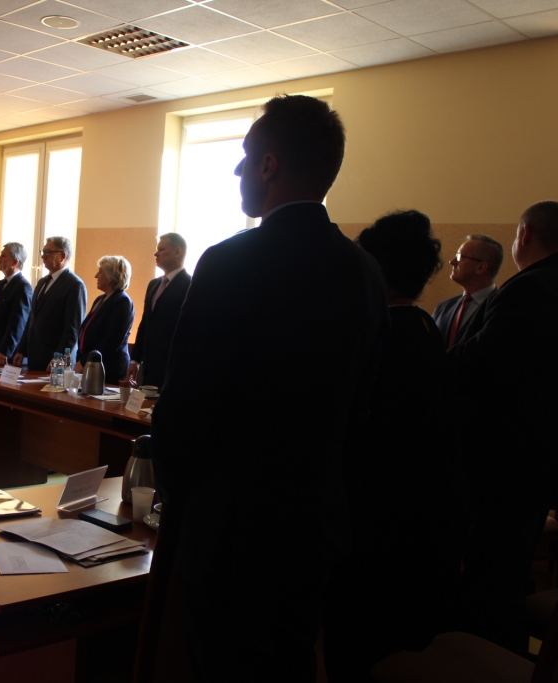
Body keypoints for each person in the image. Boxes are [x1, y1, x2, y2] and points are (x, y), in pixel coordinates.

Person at [147, 95, 387, 682]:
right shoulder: (363, 269)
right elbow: (361, 407)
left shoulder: (232, 261)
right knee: (290, 662)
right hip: (315, 523)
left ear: (269, 165)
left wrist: (177, 497)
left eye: (245, 156)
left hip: (233, 529)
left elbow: (187, 407)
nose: (237, 170)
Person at [323, 211, 464, 682]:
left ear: (376, 268)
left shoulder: (382, 335)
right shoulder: (425, 328)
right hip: (422, 525)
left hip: (377, 528)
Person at [449, 200, 558, 654]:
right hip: (536, 451)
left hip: (510, 457)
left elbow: (482, 362)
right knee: (506, 567)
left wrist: (429, 366)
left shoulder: (534, 287)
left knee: (494, 575)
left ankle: (486, 660)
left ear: (525, 234)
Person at [12, 236, 87, 371]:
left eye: (48, 252)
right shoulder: (42, 282)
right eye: (43, 252)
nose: (43, 256)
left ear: (62, 256)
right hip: (34, 358)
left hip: (55, 360)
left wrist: (58, 359)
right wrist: (21, 349)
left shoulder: (75, 285)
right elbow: (32, 319)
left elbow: (72, 329)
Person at [128, 233, 191, 388]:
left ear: (177, 252)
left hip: (171, 365)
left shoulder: (190, 285)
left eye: (161, 249)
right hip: (149, 366)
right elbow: (146, 323)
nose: (156, 254)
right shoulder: (154, 284)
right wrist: (135, 359)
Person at [432, 235, 503, 347]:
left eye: (460, 257)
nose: (452, 262)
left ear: (481, 267)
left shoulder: (502, 308)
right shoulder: (444, 307)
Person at [75, 255, 135, 384]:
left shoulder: (122, 301)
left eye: (100, 271)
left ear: (110, 277)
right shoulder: (101, 299)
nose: (96, 276)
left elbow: (112, 340)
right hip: (92, 365)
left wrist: (85, 361)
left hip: (109, 369)